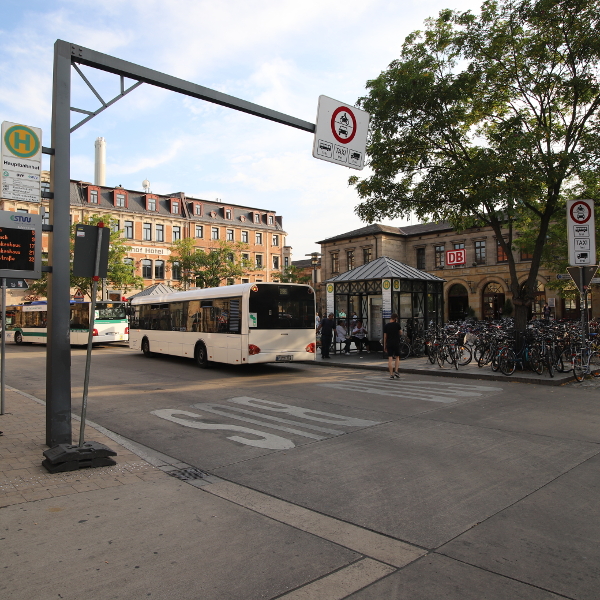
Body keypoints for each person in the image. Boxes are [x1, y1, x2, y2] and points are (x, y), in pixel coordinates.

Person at [383, 313, 403, 379]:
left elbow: (385, 337)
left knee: (390, 358)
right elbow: (401, 332)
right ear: (395, 319)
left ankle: (391, 374)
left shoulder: (386, 326)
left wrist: (384, 346)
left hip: (389, 343)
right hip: (396, 342)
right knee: (397, 357)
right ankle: (396, 371)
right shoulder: (397, 325)